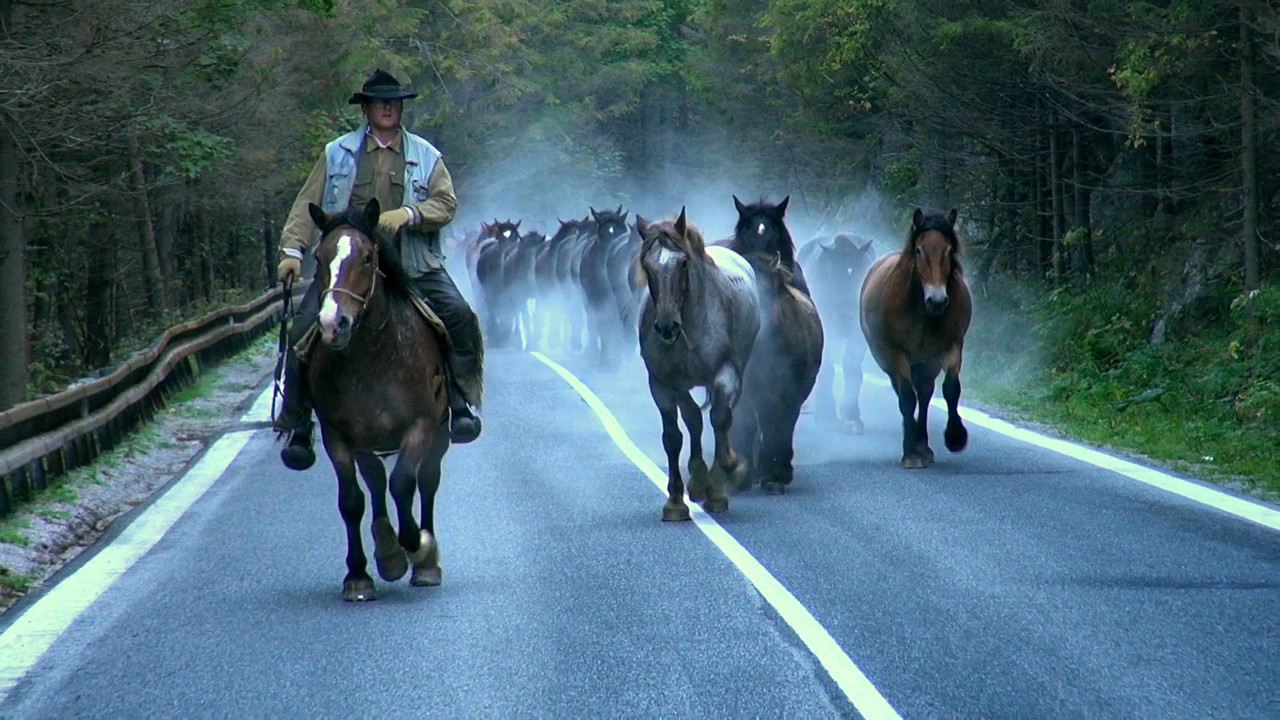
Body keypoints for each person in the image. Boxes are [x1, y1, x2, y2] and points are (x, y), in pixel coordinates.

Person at [273, 69, 484, 471]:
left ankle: (459, 402)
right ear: (366, 108)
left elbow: (447, 203)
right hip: (348, 266)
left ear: (401, 108)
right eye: (379, 102)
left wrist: (409, 213)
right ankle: (298, 422)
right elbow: (306, 205)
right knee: (303, 329)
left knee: (458, 315)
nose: (387, 108)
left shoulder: (426, 155)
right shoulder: (336, 153)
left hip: (412, 263)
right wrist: (292, 252)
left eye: (394, 102)